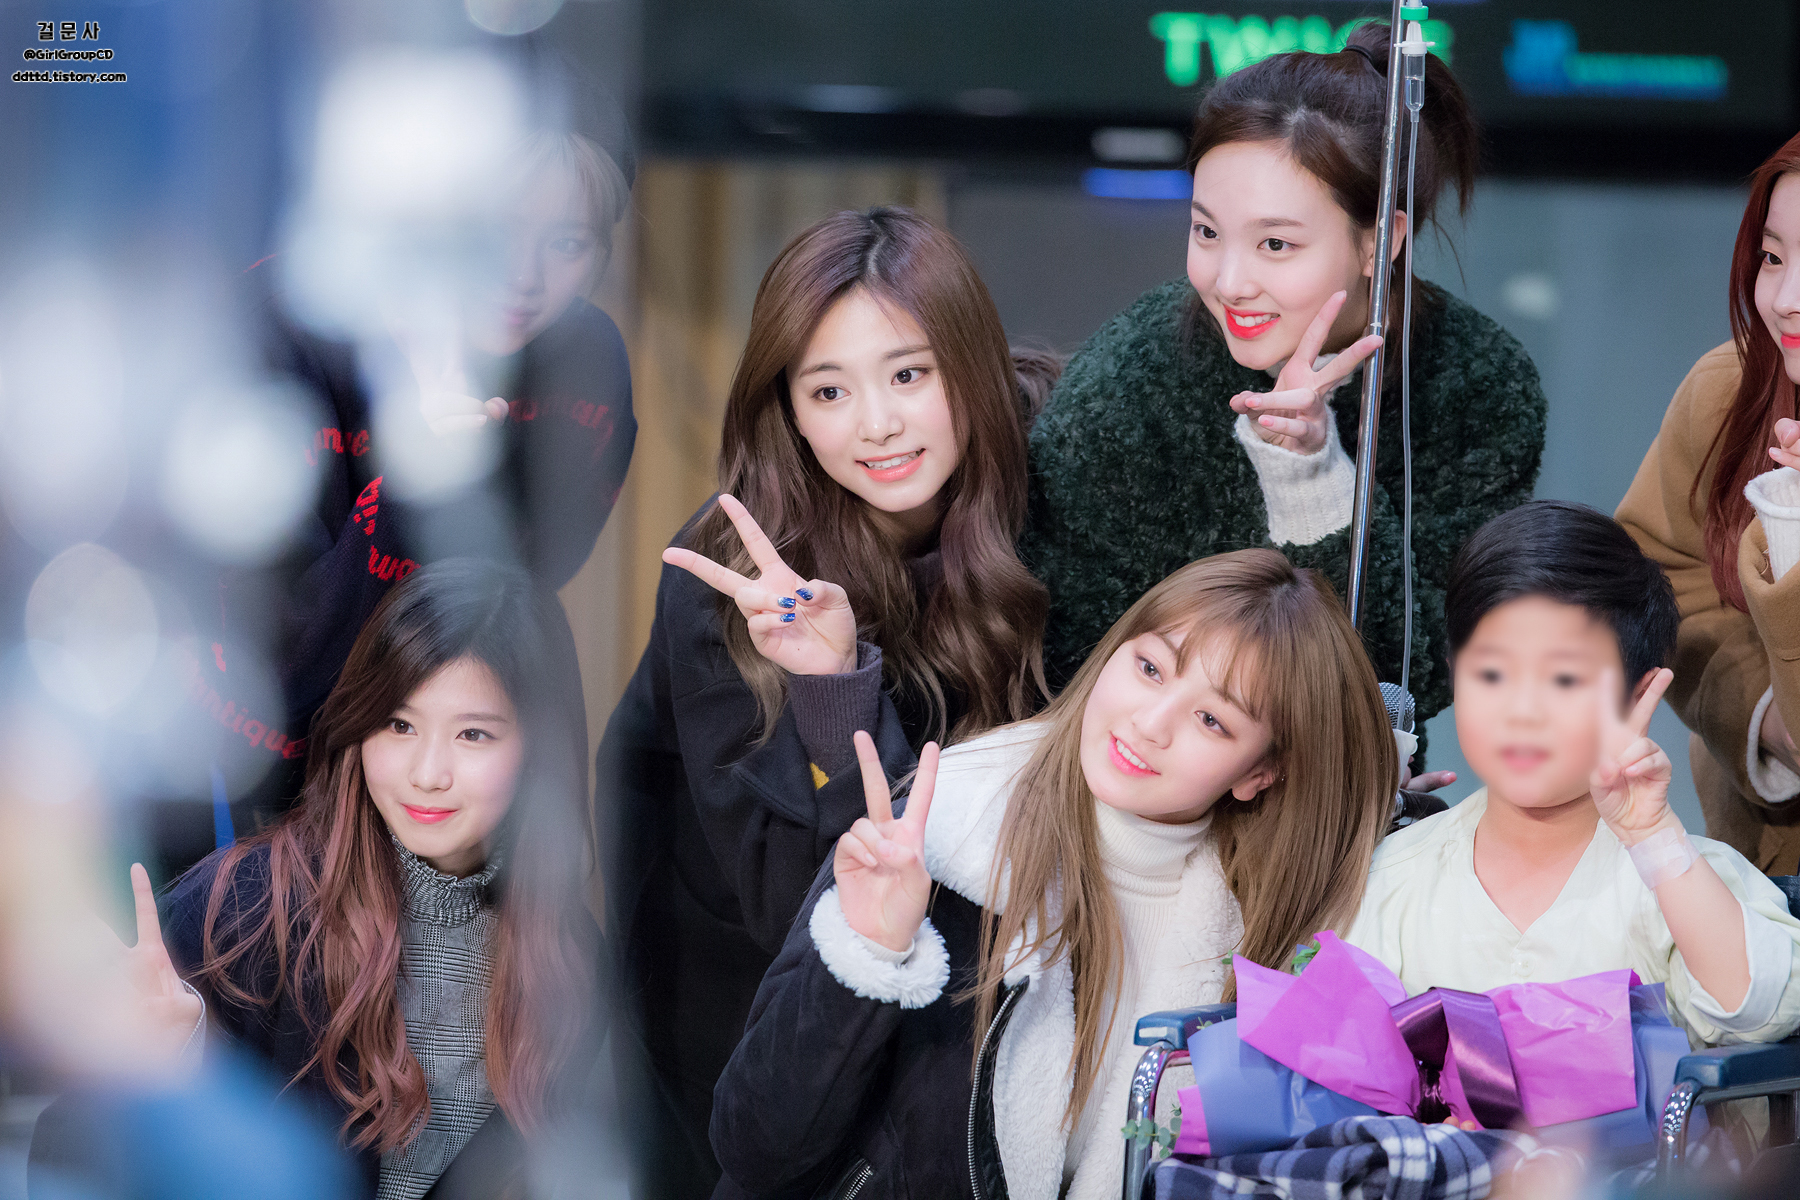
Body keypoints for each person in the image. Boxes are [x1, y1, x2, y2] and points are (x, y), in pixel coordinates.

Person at [597, 206, 1060, 1198]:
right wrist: (833, 684)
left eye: (910, 374)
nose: (877, 423)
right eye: (829, 390)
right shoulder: (740, 582)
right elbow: (797, 910)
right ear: (791, 414)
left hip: (979, 993)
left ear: (969, 366)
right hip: (741, 988)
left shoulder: (1055, 486)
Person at [711, 549, 1396, 1200]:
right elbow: (751, 1146)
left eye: (1212, 719)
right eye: (1151, 668)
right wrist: (867, 953)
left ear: (1258, 775)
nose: (1150, 723)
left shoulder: (1260, 944)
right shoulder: (949, 831)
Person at [1023, 22, 1546, 775]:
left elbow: (1421, 670)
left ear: (1380, 241)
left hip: (1340, 804)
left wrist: (1312, 478)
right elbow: (1061, 658)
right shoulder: (1134, 374)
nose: (1231, 281)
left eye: (1275, 244)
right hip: (1131, 786)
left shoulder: (1481, 382)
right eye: (1206, 231)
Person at [172, 56, 637, 867]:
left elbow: (515, 606)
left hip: (438, 767)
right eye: (493, 229)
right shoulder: (288, 339)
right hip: (249, 765)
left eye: (566, 242)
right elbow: (280, 681)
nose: (522, 275)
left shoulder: (582, 369)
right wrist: (416, 474)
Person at [48, 559, 603, 1198]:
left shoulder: (568, 954)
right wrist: (176, 1066)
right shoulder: (246, 909)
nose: (428, 773)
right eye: (399, 725)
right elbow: (66, 1154)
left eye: (473, 734)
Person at [1348, 502, 1800, 1046]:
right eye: (1491, 674)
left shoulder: (1687, 875)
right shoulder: (1387, 876)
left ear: (1637, 695)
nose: (1522, 712)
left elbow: (1763, 1011)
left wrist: (1654, 840)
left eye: (1564, 679)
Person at [1618, 131, 1800, 873]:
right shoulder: (1729, 390)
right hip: (1766, 862)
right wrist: (1767, 719)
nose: (1785, 300)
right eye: (1773, 258)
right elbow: (1664, 577)